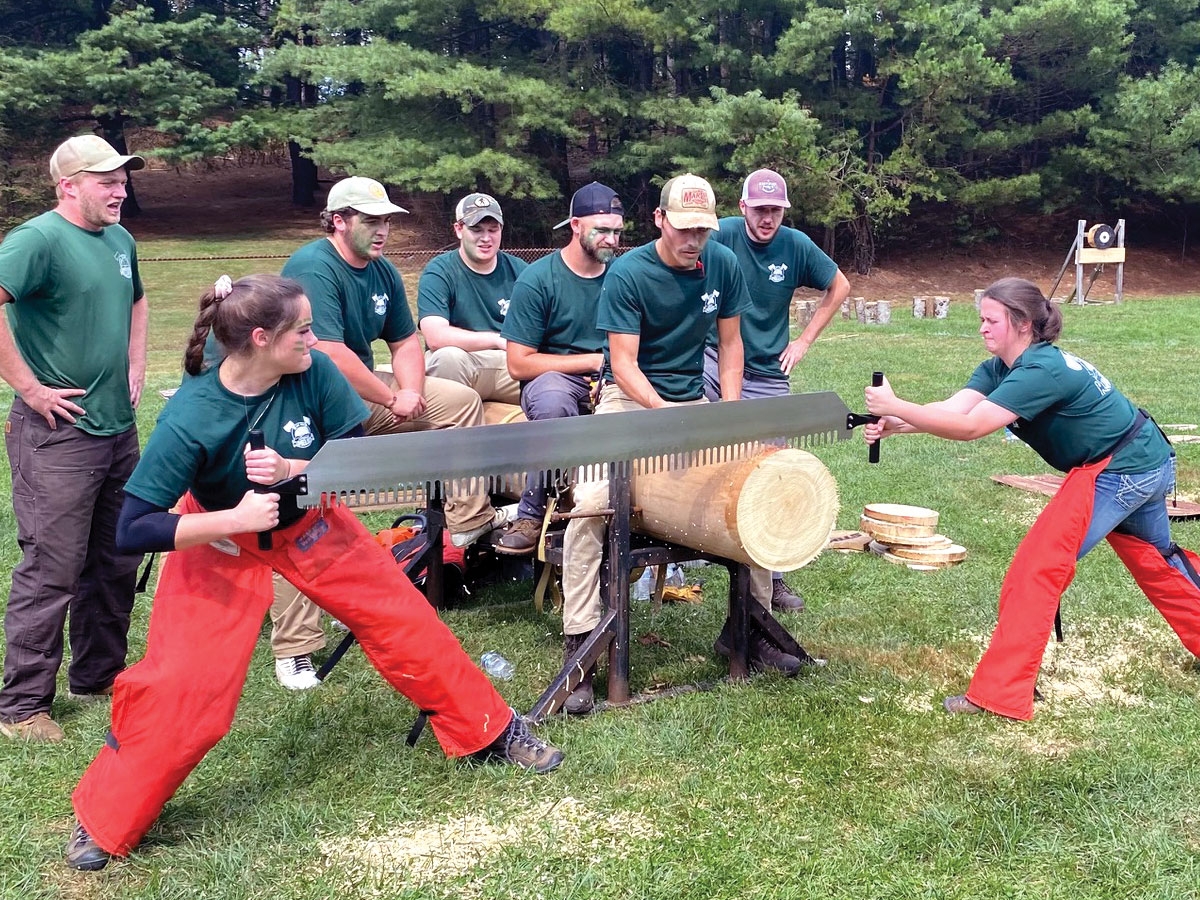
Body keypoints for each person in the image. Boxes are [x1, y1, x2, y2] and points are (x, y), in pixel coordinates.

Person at [63, 274, 564, 872]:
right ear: (260, 338)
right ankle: (105, 815)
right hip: (220, 537)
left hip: (311, 523)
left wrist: (296, 468)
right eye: (302, 330)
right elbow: (132, 529)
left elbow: (349, 454)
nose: (313, 338)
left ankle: (491, 731)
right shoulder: (192, 414)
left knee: (407, 623)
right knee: (185, 688)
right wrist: (230, 518)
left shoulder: (316, 371)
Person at [863, 276, 1200, 720]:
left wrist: (896, 404)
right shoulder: (999, 368)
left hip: (1121, 471)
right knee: (1157, 560)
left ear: (1022, 324)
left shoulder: (1041, 371)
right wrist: (899, 422)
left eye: (991, 320)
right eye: (981, 318)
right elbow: (953, 412)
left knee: (1037, 569)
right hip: (1145, 459)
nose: (981, 328)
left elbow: (971, 429)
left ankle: (1000, 696)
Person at [559, 173, 805, 716]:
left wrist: (730, 416)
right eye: (685, 228)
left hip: (692, 400)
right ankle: (581, 644)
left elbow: (732, 344)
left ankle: (750, 627)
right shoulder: (629, 273)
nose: (694, 240)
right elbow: (622, 364)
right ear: (660, 220)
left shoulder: (723, 264)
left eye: (703, 230)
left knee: (753, 492)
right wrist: (664, 416)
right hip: (629, 402)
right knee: (594, 505)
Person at [262, 177, 514, 689]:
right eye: (371, 221)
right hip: (302, 404)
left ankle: (469, 522)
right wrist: (389, 397)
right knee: (302, 510)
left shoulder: (382, 273)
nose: (382, 231)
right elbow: (329, 352)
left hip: (357, 397)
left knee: (458, 402)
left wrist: (413, 392)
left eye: (386, 221)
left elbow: (404, 340)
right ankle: (296, 648)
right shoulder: (314, 266)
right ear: (338, 220)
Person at [0, 135, 148, 743]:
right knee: (52, 568)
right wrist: (33, 391)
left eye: (122, 179)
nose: (119, 190)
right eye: (106, 180)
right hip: (57, 435)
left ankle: (98, 675)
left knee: (115, 558)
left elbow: (137, 301)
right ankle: (22, 707)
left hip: (117, 429)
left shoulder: (121, 239)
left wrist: (136, 367)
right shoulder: (36, 241)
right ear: (69, 186)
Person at [706, 168, 852, 613]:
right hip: (712, 360)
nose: (768, 218)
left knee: (772, 469)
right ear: (743, 207)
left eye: (776, 211)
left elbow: (839, 285)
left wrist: (804, 340)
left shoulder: (796, 244)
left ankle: (775, 576)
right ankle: (679, 548)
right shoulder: (721, 236)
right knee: (692, 441)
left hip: (768, 370)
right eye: (761, 209)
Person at [493, 182, 625, 556]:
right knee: (552, 399)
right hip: (555, 379)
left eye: (617, 231)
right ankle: (532, 513)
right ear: (576, 225)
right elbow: (518, 363)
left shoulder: (627, 274)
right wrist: (591, 362)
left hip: (618, 375)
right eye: (602, 230)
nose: (611, 240)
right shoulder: (538, 279)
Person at [417, 193, 527, 404]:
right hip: (465, 361)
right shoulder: (440, 271)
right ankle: (452, 435)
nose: (486, 238)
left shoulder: (521, 270)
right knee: (447, 357)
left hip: (511, 365)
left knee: (554, 374)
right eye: (476, 229)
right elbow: (435, 337)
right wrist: (496, 339)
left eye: (492, 230)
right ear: (459, 229)